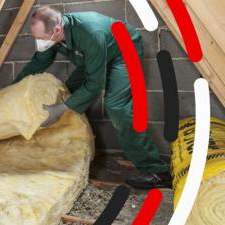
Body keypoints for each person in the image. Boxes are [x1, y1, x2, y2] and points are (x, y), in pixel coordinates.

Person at [13, 6, 171, 189]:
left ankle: (156, 171)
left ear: (57, 30)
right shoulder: (52, 34)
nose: (38, 42)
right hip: (96, 55)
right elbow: (39, 62)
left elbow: (94, 84)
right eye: (35, 37)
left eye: (40, 38)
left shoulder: (90, 31)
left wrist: (61, 109)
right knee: (67, 92)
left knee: (117, 107)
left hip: (123, 51)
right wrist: (13, 88)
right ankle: (69, 148)